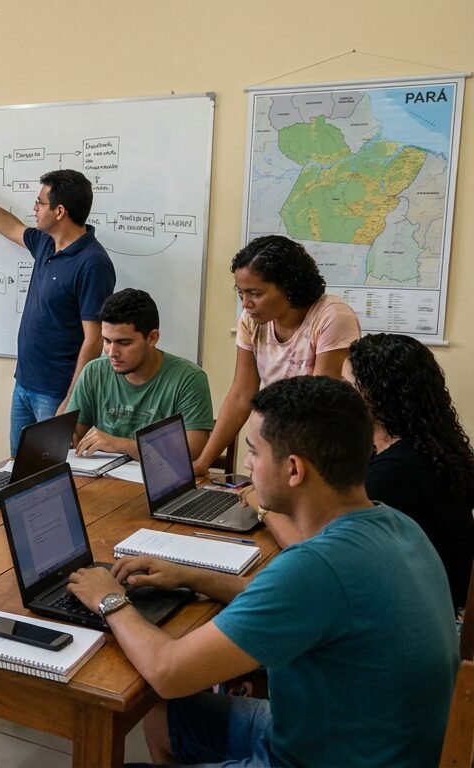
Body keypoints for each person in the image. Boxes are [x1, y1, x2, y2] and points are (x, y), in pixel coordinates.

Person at [67, 376, 458, 767]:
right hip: (366, 737)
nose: (247, 465)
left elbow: (168, 671)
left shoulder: (314, 568)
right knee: (163, 716)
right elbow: (298, 601)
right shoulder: (396, 524)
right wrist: (189, 575)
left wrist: (110, 599)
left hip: (318, 756)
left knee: (159, 699)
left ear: (293, 469)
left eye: (254, 452)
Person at [257, 333, 474, 610]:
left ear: (377, 394)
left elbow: (314, 549)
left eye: (348, 384)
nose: (341, 392)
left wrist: (265, 509)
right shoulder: (427, 443)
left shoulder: (396, 472)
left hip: (426, 609)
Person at [0, 169, 115, 455]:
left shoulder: (93, 264)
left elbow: (94, 340)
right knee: (19, 472)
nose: (34, 208)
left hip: (56, 393)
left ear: (60, 211)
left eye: (40, 202)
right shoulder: (45, 243)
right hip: (25, 384)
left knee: (49, 477)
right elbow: (10, 226)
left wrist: (71, 399)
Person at [192, 235, 361, 476]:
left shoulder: (332, 317)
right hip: (275, 448)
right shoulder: (251, 322)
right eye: (241, 293)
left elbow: (321, 406)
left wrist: (275, 472)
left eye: (255, 293)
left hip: (319, 452)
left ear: (289, 287)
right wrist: (203, 463)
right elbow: (241, 395)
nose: (246, 304)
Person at [68, 289, 214, 460]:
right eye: (106, 341)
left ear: (152, 338)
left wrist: (121, 445)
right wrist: (64, 438)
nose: (112, 353)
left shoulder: (189, 379)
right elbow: (75, 435)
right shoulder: (93, 372)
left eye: (123, 343)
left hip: (161, 480)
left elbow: (193, 451)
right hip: (104, 481)